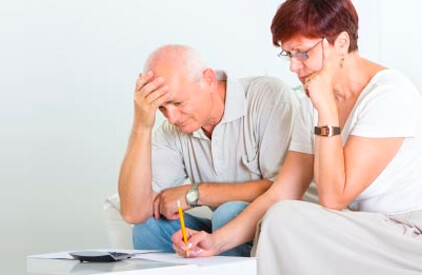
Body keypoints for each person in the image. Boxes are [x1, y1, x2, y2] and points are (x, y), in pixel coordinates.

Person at [172, 0, 422, 273]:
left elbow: (333, 199)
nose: (293, 66)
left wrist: (326, 110)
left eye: (302, 53)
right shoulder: (311, 99)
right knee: (277, 214)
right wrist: (215, 242)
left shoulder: (389, 95)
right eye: (288, 54)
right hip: (361, 227)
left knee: (284, 218)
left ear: (341, 43)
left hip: (407, 234)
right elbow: (283, 191)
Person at [118, 45, 299, 256]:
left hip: (272, 229)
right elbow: (133, 213)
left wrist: (194, 193)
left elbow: (284, 189)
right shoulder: (172, 131)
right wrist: (142, 124)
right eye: (161, 108)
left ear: (209, 80)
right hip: (219, 234)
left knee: (228, 213)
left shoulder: (268, 97)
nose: (172, 117)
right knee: (147, 227)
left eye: (177, 102)